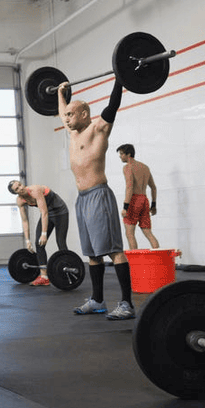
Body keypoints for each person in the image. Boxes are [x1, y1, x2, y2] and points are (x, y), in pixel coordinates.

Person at [57, 80, 135, 321]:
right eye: (66, 115)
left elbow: (113, 106)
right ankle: (98, 300)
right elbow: (62, 114)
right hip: (82, 199)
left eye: (72, 114)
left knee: (113, 250)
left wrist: (119, 79)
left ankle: (126, 304)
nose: (67, 119)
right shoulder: (73, 133)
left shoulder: (98, 129)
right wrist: (60, 94)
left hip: (99, 196)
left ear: (84, 113)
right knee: (92, 254)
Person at [9, 180, 70, 286]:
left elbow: (44, 212)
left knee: (60, 242)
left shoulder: (35, 190)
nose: (21, 188)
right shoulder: (20, 201)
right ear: (16, 193)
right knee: (39, 243)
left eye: (20, 184)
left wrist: (44, 234)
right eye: (17, 188)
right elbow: (24, 221)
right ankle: (44, 277)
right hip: (48, 213)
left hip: (60, 211)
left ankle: (67, 271)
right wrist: (27, 240)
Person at [117, 144, 159, 250]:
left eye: (122, 154)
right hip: (144, 200)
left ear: (129, 154)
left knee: (130, 234)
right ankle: (158, 260)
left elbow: (129, 187)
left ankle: (134, 264)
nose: (120, 156)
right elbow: (153, 187)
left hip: (134, 200)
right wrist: (153, 205)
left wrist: (125, 207)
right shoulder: (145, 167)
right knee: (148, 232)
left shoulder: (127, 167)